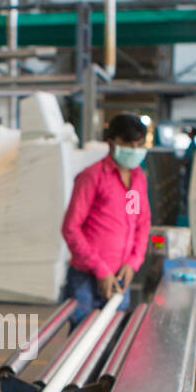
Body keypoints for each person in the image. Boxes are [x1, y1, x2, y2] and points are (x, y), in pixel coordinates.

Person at [60, 112, 152, 326]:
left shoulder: (137, 179)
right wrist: (101, 270)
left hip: (120, 277)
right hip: (87, 278)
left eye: (139, 145)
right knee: (82, 345)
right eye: (128, 144)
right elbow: (71, 228)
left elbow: (139, 223)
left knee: (112, 343)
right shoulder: (93, 177)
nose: (135, 150)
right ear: (111, 142)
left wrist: (133, 262)